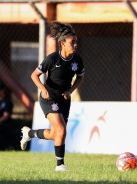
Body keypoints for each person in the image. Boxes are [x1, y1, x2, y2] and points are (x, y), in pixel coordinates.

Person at [20, 22, 85, 171]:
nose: (75, 45)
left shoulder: (77, 60)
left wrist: (71, 90)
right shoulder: (52, 59)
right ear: (62, 43)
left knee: (57, 134)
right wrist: (43, 89)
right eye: (72, 42)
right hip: (49, 98)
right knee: (61, 130)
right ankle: (60, 166)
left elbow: (80, 77)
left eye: (76, 42)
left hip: (64, 100)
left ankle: (29, 133)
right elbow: (34, 75)